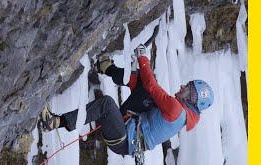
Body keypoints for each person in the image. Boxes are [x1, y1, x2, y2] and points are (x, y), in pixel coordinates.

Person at [40, 44, 214, 155]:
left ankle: (55, 122)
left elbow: (153, 85)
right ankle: (106, 67)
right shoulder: (178, 114)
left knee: (107, 104)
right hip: (127, 130)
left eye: (188, 89)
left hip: (123, 140)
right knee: (142, 84)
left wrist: (143, 58)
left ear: (192, 100)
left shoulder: (176, 110)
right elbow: (148, 87)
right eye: (188, 85)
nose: (183, 87)